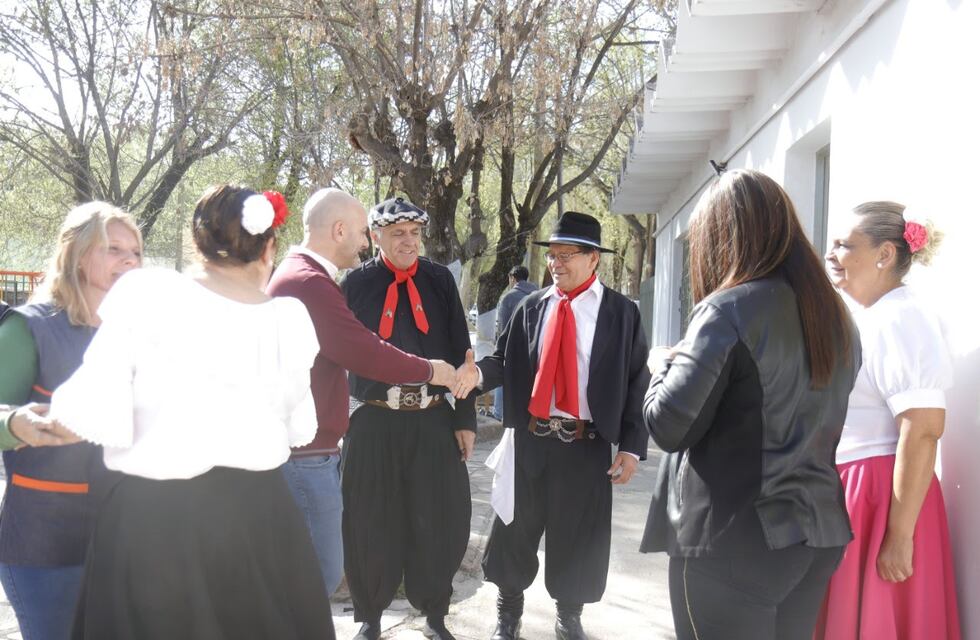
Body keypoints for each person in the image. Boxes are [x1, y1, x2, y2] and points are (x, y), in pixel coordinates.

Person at [46, 185, 336, 639]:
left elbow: (92, 407)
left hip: (155, 522)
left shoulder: (149, 292)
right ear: (269, 247)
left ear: (197, 241)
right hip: (257, 519)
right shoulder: (290, 320)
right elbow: (297, 423)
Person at [640, 170, 860, 640]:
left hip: (734, 542)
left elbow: (668, 426)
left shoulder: (729, 309)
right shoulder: (836, 318)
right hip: (813, 535)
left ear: (722, 237)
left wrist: (661, 365)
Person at [454, 211, 651, 640]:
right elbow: (503, 360)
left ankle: (569, 618)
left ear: (593, 258)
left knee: (577, 537)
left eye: (566, 255)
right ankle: (508, 616)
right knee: (513, 532)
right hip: (531, 440)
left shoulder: (620, 313)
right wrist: (477, 377)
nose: (555, 264)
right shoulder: (530, 307)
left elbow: (638, 380)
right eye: (552, 256)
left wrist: (632, 447)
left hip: (586, 444)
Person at [266, 187, 457, 597]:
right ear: (339, 230)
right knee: (317, 579)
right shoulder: (309, 282)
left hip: (316, 450)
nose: (362, 242)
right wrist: (430, 370)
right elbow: (362, 350)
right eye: (360, 232)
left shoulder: (302, 275)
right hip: (306, 456)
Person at [814, 202, 961, 639]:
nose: (831, 254)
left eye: (844, 245)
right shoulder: (876, 316)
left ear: (884, 255)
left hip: (884, 495)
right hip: (862, 490)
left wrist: (899, 535)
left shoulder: (902, 317)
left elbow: (924, 427)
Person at [0, 202, 142, 640]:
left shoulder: (143, 334)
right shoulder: (29, 329)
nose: (129, 261)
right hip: (46, 544)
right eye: (114, 249)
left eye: (135, 252)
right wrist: (13, 424)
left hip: (127, 536)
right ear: (78, 255)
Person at [340, 196, 474, 640]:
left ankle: (436, 615)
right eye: (398, 233)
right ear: (376, 236)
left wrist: (465, 419)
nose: (409, 242)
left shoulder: (438, 281)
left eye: (415, 233)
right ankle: (371, 619)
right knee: (369, 520)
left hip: (434, 419)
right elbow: (339, 351)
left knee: (440, 518)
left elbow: (462, 353)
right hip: (375, 422)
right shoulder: (354, 283)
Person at [492, 266, 537, 419]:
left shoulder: (509, 297)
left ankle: (499, 413)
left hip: (511, 347)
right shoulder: (538, 294)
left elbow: (503, 327)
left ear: (512, 278)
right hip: (534, 348)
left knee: (502, 378)